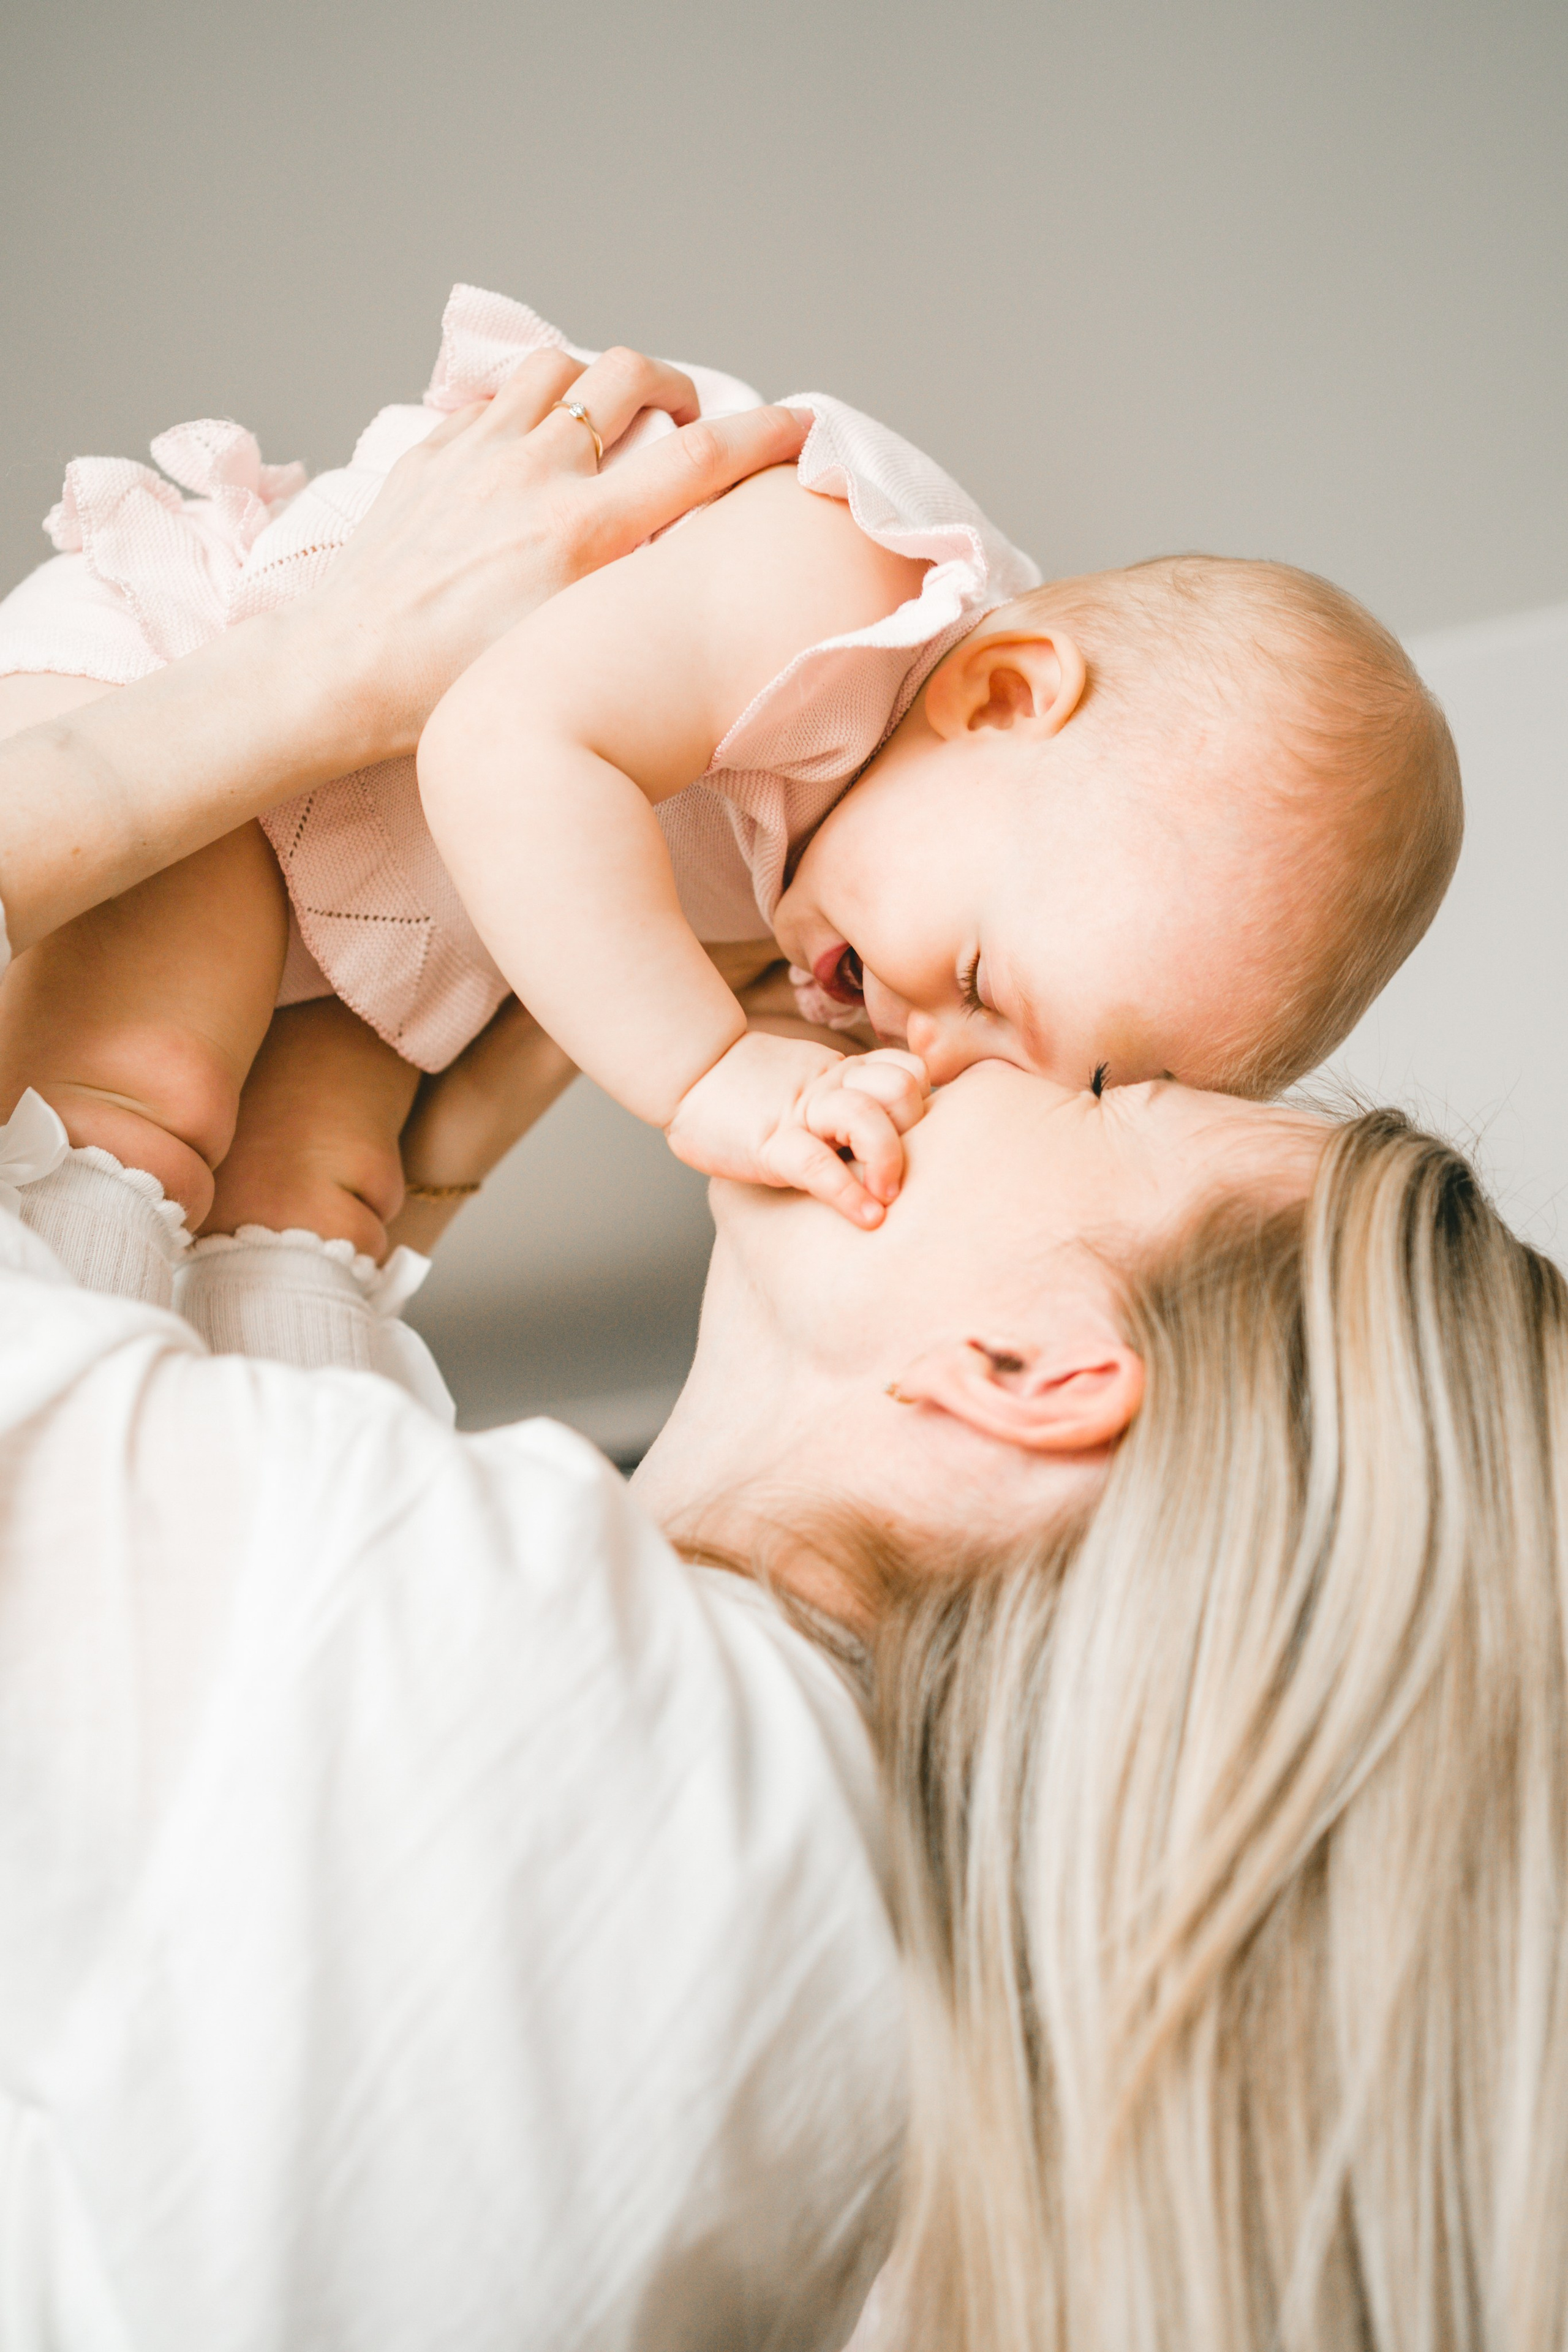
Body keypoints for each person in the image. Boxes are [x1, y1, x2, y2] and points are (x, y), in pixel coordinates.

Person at [1, 339, 1558, 2352]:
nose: (923, 1045)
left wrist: (289, 694)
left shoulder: (548, 1684)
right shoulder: (863, 2017)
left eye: (1085, 1088)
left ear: (1028, 1369)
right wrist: (332, 1205)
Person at [0, 284, 1461, 1252]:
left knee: (313, 1194)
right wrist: (703, 1067)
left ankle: (266, 1492)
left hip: (382, 903)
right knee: (152, 1092)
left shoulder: (864, 846)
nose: (931, 1047)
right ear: (1002, 697)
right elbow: (506, 741)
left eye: (1018, 1068)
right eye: (970, 984)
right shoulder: (834, 578)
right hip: (202, 698)